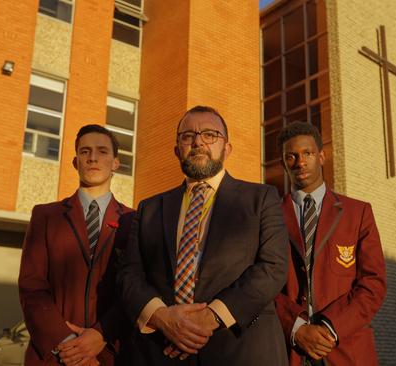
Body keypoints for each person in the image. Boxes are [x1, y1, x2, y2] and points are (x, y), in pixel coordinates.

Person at [118, 106, 289, 365]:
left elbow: (273, 267)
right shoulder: (150, 208)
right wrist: (163, 318)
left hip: (241, 349)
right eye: (188, 136)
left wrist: (208, 318)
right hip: (161, 351)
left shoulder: (262, 198)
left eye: (210, 134)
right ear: (177, 150)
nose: (198, 142)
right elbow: (129, 274)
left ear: (227, 148)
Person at [19, 124, 134, 366]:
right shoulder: (45, 216)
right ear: (75, 162)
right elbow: (32, 287)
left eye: (102, 151)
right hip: (54, 356)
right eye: (85, 152)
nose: (93, 158)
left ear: (116, 163)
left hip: (111, 355)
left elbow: (135, 292)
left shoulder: (134, 221)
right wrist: (68, 343)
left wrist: (100, 336)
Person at [274, 122, 387, 365]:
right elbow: (262, 284)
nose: (300, 162)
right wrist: (297, 328)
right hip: (289, 351)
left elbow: (373, 283)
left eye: (307, 153)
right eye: (291, 156)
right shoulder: (269, 215)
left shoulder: (358, 213)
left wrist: (330, 327)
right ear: (283, 163)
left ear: (322, 156)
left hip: (347, 350)